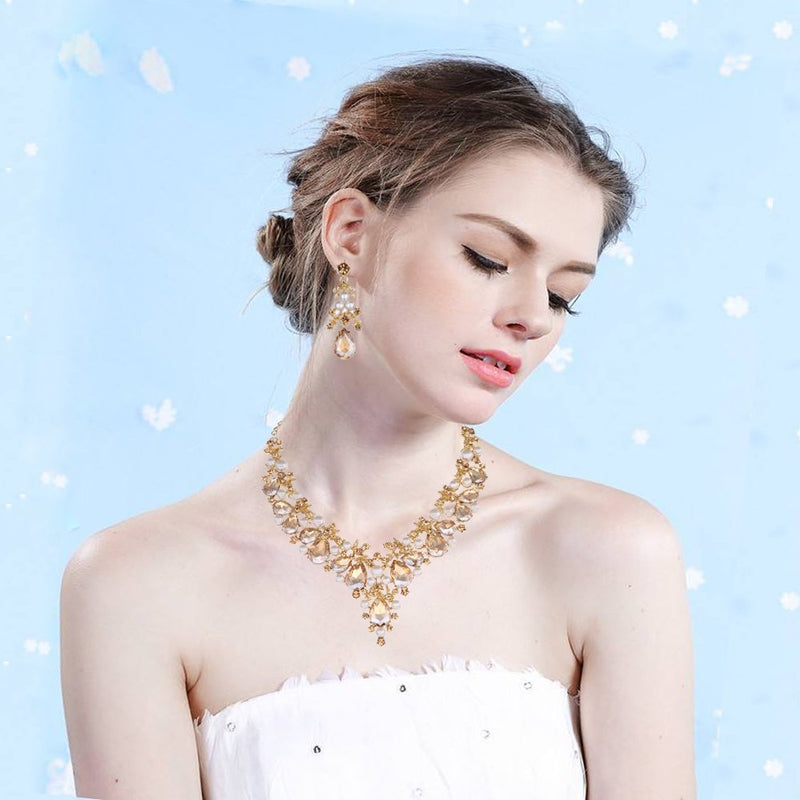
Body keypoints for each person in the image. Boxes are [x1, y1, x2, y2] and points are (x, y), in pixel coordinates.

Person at [60, 54, 696, 800]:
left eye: (562, 296)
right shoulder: (135, 585)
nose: (531, 316)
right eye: (488, 258)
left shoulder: (609, 550)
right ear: (352, 234)